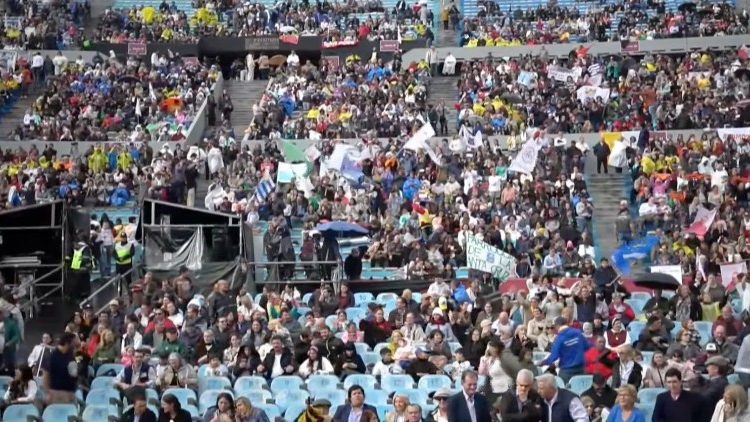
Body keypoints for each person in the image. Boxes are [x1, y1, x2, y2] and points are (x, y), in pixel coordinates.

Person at [538, 316, 588, 383]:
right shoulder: (578, 333)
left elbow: (554, 357)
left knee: (562, 388)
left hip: (567, 371)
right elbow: (587, 347)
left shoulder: (560, 338)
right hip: (581, 369)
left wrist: (542, 362)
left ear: (557, 326)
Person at [43, 332, 79, 404]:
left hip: (70, 393)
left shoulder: (70, 355)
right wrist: (48, 392)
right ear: (67, 343)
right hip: (56, 393)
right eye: (73, 343)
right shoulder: (52, 356)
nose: (76, 345)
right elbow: (46, 375)